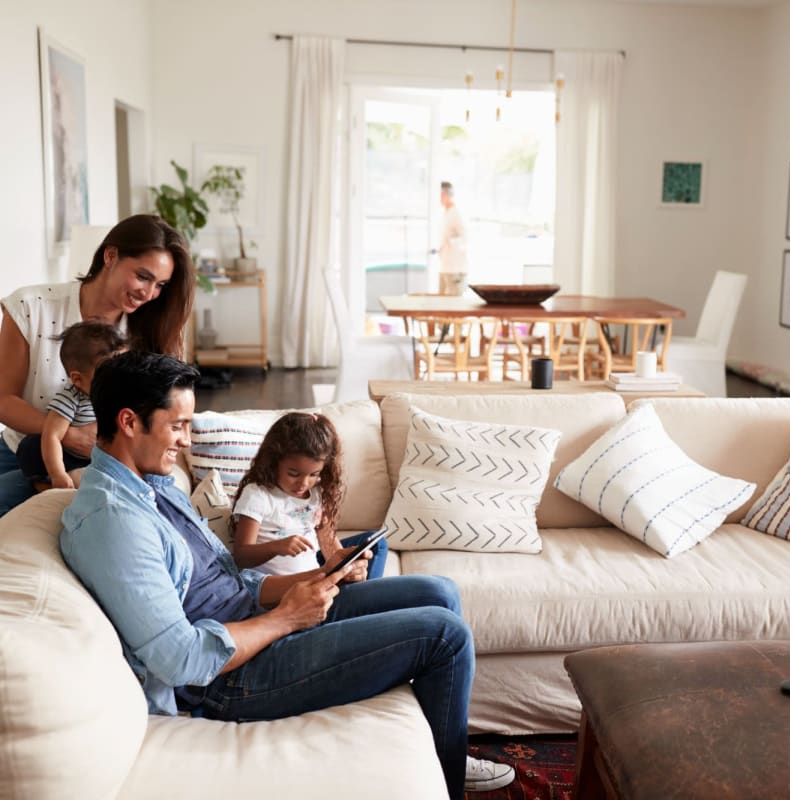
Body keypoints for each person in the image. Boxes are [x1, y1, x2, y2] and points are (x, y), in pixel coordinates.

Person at [59, 351, 515, 798]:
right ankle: (451, 774)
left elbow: (229, 579)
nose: (185, 441)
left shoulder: (152, 487)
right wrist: (287, 618)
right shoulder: (114, 521)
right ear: (128, 422)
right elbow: (181, 661)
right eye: (177, 426)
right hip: (226, 678)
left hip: (257, 621)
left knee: (438, 591)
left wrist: (303, 584)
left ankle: (441, 745)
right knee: (443, 635)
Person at [0, 213, 194, 516]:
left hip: (107, 460)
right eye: (143, 276)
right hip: (24, 450)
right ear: (110, 255)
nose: (149, 293)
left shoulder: (148, 331)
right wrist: (66, 433)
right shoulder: (31, 306)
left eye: (160, 285)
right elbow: (3, 400)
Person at [231, 411, 388, 580]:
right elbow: (240, 556)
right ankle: (362, 598)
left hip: (317, 576)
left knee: (376, 545)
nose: (303, 483)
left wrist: (346, 569)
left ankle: (361, 593)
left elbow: (330, 548)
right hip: (287, 588)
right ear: (273, 461)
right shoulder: (258, 495)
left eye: (313, 474)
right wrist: (276, 547)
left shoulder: (316, 492)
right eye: (293, 474)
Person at [15, 321, 127, 490]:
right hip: (71, 459)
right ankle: (48, 486)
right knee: (31, 446)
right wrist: (57, 473)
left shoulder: (122, 394)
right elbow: (52, 436)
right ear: (78, 379)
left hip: (105, 457)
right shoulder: (71, 399)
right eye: (107, 373)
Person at [437, 181, 469, 296]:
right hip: (445, 266)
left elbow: (465, 238)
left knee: (453, 305)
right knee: (441, 305)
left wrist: (450, 243)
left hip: (455, 269)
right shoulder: (446, 213)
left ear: (445, 195)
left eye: (440, 195)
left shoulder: (457, 213)